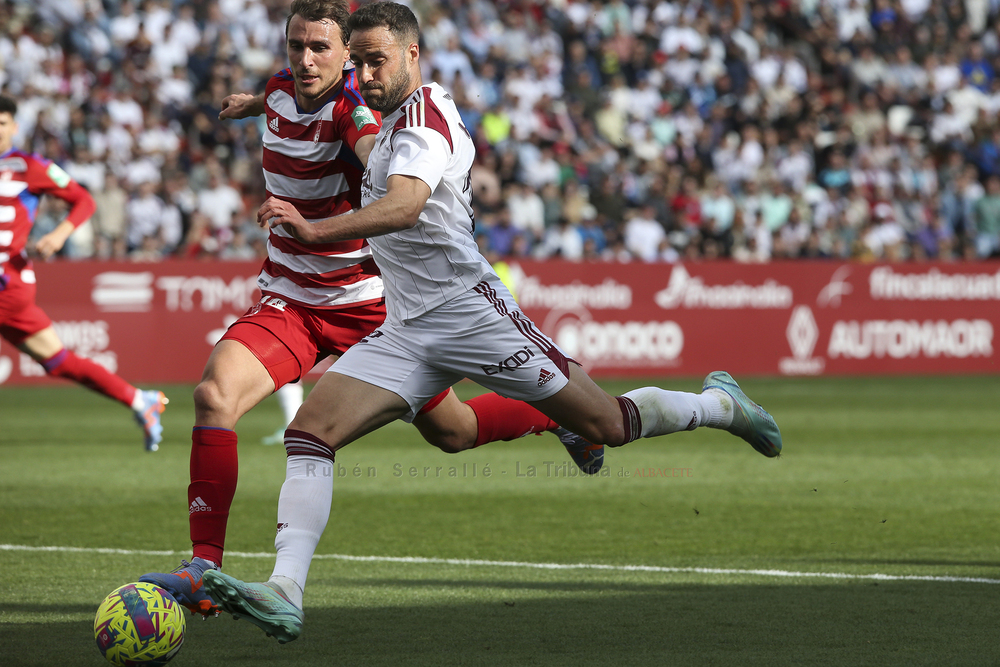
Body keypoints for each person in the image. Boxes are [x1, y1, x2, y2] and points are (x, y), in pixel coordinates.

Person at [200, 2, 782, 644]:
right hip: (405, 325)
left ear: (412, 56)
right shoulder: (385, 117)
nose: (362, 75)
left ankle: (719, 406)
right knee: (310, 434)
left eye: (375, 61)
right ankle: (286, 591)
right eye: (357, 62)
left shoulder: (423, 119)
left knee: (608, 424)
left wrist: (314, 227)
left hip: (471, 314)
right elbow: (312, 100)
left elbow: (404, 206)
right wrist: (260, 102)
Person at [139, 0, 601, 617]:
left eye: (320, 49)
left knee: (455, 434)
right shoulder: (282, 87)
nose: (305, 59)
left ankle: (554, 418)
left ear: (345, 59)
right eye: (295, 46)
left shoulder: (355, 117)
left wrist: (387, 172)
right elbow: (278, 94)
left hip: (371, 306)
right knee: (213, 396)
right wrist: (252, 104)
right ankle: (204, 568)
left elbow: (376, 155)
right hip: (293, 301)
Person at [0, 94, 168, 451]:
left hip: (7, 283)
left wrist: (58, 235)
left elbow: (84, 200)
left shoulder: (28, 165)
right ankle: (139, 399)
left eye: (1, 124)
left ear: (14, 127)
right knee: (59, 361)